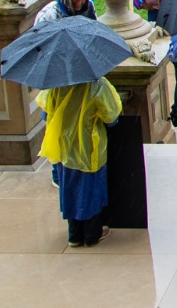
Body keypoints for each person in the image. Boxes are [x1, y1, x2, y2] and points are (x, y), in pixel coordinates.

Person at [37, 75, 122, 248]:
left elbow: (45, 114)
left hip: (64, 148)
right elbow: (111, 119)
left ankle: (74, 235)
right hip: (89, 148)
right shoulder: (97, 85)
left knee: (69, 190)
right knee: (91, 191)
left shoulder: (55, 83)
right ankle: (91, 234)